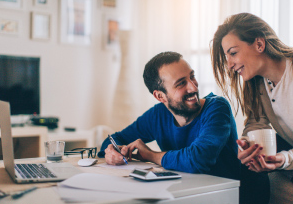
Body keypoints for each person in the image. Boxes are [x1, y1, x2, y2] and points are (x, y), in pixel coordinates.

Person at [98, 51, 240, 180]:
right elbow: (115, 139)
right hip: (184, 192)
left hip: (228, 195)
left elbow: (199, 159)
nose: (193, 87)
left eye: (192, 77)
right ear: (160, 96)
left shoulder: (217, 108)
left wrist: (151, 155)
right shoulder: (158, 115)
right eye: (181, 83)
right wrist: (111, 152)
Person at [211, 12, 293, 204]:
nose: (230, 64)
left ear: (259, 44)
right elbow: (256, 122)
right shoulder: (257, 85)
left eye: (233, 53)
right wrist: (249, 146)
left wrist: (284, 159)